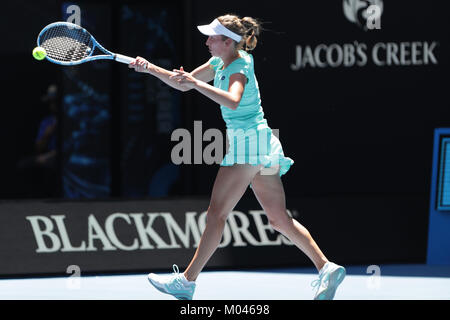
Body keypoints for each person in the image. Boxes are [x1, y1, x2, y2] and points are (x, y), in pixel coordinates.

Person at [129, 14, 345, 300]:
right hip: (263, 143)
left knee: (216, 214)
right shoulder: (220, 62)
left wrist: (196, 85)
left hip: (248, 145)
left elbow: (232, 99)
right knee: (279, 219)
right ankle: (325, 267)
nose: (206, 42)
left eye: (212, 38)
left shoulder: (239, 66)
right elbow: (184, 82)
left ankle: (186, 281)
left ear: (228, 43)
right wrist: (150, 69)